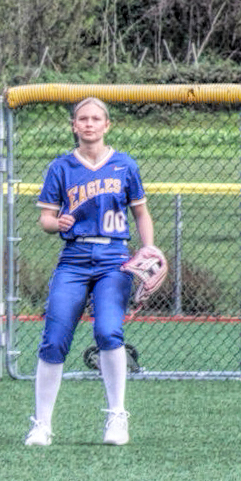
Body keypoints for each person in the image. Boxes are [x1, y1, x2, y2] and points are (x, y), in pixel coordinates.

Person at [24, 96, 154, 448]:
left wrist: (148, 248)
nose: (90, 124)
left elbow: (140, 213)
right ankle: (42, 424)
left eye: (96, 118)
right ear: (74, 125)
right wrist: (56, 223)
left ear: (107, 125)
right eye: (83, 118)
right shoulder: (61, 167)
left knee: (109, 331)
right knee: (54, 338)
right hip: (75, 257)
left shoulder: (124, 164)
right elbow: (46, 220)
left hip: (114, 257)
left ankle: (117, 416)